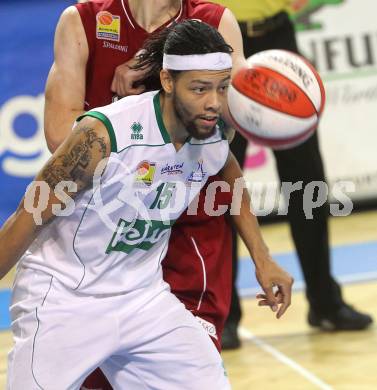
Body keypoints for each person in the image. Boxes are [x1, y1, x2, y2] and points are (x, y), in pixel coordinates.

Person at [2, 20, 294, 389]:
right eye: (200, 89)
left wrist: (263, 258)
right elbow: (25, 219)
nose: (214, 103)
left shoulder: (215, 129)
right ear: (168, 81)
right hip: (65, 299)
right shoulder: (103, 135)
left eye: (222, 87)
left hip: (143, 298)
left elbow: (228, 170)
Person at [216, 0, 373, 350]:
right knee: (223, 186)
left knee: (308, 186)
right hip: (219, 41)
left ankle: (325, 303)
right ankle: (225, 315)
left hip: (277, 38)